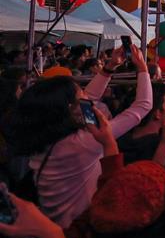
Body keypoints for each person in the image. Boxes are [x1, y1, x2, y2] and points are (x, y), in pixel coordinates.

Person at [7, 49, 152, 228]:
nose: (87, 96)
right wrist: (143, 69)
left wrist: (110, 67)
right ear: (69, 107)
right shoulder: (84, 141)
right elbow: (143, 107)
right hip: (79, 229)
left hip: (57, 223)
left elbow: (88, 98)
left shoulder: (44, 134)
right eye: (80, 92)